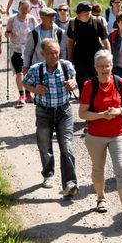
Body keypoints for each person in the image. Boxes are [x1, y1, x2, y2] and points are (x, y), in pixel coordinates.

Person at [78, 50, 122, 226]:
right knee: (98, 168)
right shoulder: (89, 85)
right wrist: (102, 115)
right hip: (95, 135)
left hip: (118, 133)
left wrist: (118, 111)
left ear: (112, 66)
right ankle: (101, 198)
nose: (104, 69)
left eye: (107, 66)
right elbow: (82, 114)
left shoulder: (119, 82)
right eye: (101, 66)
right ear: (95, 67)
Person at [22, 39, 78, 198]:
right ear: (43, 54)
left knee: (66, 146)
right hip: (43, 112)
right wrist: (34, 89)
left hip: (64, 112)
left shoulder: (66, 66)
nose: (54, 56)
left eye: (56, 52)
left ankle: (70, 183)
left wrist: (72, 83)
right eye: (50, 53)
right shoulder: (36, 69)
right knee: (45, 146)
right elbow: (24, 82)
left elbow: (74, 80)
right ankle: (48, 175)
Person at [66, 1, 110, 93]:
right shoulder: (73, 23)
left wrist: (108, 60)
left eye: (89, 13)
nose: (88, 15)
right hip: (79, 59)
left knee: (96, 84)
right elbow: (70, 43)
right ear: (79, 14)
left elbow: (106, 42)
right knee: (82, 85)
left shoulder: (96, 22)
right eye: (85, 13)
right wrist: (69, 61)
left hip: (95, 59)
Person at [5, 0, 39, 107]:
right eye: (22, 8)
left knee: (28, 73)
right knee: (19, 73)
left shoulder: (32, 19)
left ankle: (28, 94)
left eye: (26, 8)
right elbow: (6, 33)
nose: (24, 11)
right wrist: (8, 34)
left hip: (29, 51)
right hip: (16, 49)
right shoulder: (12, 19)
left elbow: (37, 32)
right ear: (18, 7)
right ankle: (21, 95)